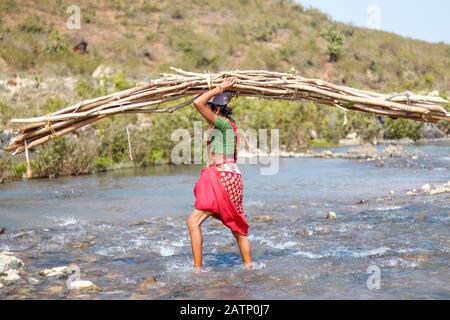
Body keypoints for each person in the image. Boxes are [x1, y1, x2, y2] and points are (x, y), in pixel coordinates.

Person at [187, 77, 252, 270]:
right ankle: (249, 267)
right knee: (237, 227)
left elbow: (197, 102)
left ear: (216, 110)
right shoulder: (228, 127)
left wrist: (219, 88)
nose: (205, 113)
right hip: (231, 177)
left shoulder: (223, 124)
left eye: (210, 109)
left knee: (193, 222)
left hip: (222, 176)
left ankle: (198, 270)